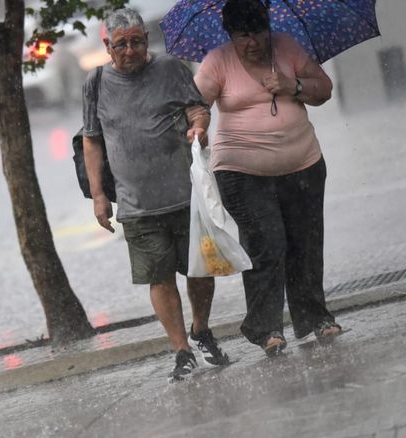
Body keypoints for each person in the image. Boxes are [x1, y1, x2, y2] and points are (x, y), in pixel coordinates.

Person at [82, 8, 228, 381]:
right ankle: (181, 350)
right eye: (121, 44)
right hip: (136, 205)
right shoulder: (95, 83)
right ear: (107, 46)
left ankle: (200, 328)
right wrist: (99, 195)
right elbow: (92, 139)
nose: (129, 51)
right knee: (159, 279)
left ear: (146, 41)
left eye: (136, 42)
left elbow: (197, 108)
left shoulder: (171, 68)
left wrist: (199, 126)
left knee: (200, 271)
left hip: (185, 195)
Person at [193, 0, 342, 356]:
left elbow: (324, 89)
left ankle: (316, 317)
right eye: (244, 35)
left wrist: (293, 86)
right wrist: (199, 125)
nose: (254, 42)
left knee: (305, 242)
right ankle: (266, 328)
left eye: (259, 32)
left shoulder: (287, 47)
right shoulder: (218, 61)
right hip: (242, 172)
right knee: (268, 241)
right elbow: (196, 102)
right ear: (231, 34)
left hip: (303, 163)